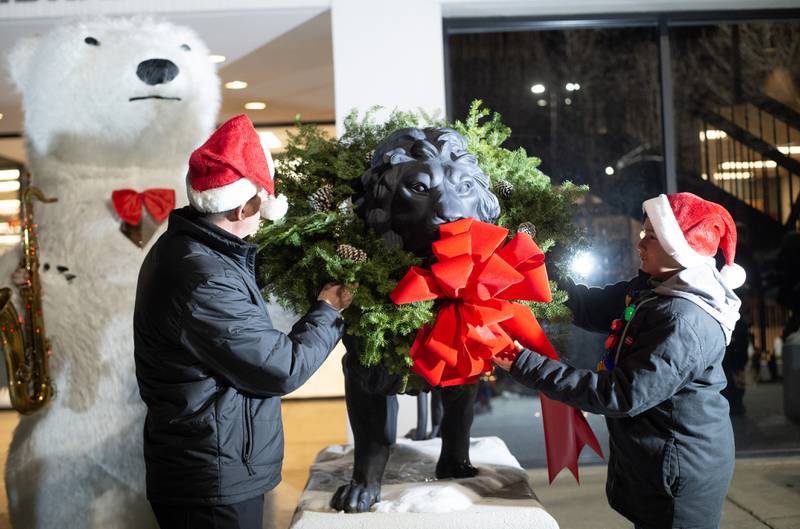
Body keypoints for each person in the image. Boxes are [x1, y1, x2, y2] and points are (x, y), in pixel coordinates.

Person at [134, 114, 352, 529]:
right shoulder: (204, 277)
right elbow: (279, 369)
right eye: (263, 205)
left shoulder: (191, 249)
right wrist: (328, 309)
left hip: (213, 462)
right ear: (245, 204)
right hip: (211, 476)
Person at [495, 192, 744, 529]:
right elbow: (583, 305)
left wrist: (524, 363)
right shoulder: (653, 291)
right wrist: (532, 263)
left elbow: (622, 394)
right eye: (643, 234)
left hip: (680, 469)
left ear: (680, 247)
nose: (640, 245)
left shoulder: (684, 319)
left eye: (652, 238)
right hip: (656, 460)